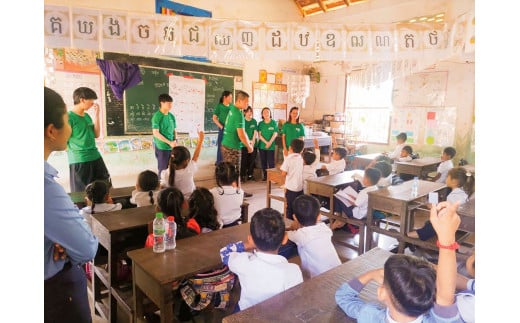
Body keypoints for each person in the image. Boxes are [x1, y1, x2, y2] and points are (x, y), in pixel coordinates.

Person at [335, 201, 465, 322]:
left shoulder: (369, 316)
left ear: (382, 293)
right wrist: (447, 237)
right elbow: (445, 297)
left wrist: (371, 274)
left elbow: (343, 296)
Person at [44, 86, 98, 322]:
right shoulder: (45, 189)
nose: (70, 127)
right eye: (66, 121)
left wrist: (59, 237)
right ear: (51, 131)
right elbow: (86, 248)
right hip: (53, 293)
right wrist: (66, 242)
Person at [219, 208, 303, 311]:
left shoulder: (243, 262)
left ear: (250, 239)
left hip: (246, 312)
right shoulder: (294, 270)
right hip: (276, 315)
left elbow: (224, 252)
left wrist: (247, 245)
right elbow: (295, 301)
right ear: (285, 239)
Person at [408, 167, 475, 241]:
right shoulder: (462, 192)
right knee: (428, 222)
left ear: (454, 181)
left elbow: (446, 212)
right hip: (460, 219)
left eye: (447, 177)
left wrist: (433, 207)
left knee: (432, 225)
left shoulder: (454, 196)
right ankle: (414, 241)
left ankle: (412, 236)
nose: (446, 179)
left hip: (452, 222)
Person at [67, 86, 111, 192]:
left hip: (95, 156)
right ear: (82, 100)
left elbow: (96, 134)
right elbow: (64, 142)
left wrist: (97, 115)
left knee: (105, 187)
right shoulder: (69, 118)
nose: (93, 103)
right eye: (91, 100)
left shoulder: (86, 116)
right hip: (80, 160)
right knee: (83, 193)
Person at [286, 194, 341, 279]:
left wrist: (291, 227)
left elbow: (285, 235)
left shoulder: (301, 235)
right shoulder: (323, 227)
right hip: (338, 270)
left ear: (295, 217)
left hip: (319, 278)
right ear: (319, 216)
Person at [221, 90, 254, 197]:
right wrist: (249, 146)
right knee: (234, 172)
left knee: (231, 171)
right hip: (232, 147)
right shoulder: (238, 114)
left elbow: (242, 131)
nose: (247, 105)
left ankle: (238, 191)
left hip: (226, 144)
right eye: (246, 102)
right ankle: (235, 194)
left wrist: (248, 140)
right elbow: (241, 134)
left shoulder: (232, 108)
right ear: (239, 101)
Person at [160, 131, 204, 199]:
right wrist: (200, 140)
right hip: (190, 200)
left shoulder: (165, 173)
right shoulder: (189, 170)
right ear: (186, 161)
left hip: (175, 202)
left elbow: (162, 187)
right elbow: (196, 156)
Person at [210, 161, 245, 228]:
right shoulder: (240, 192)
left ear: (217, 177)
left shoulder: (212, 193)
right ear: (235, 178)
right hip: (235, 224)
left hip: (218, 227)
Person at [152, 93, 177, 176]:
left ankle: (171, 186)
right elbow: (156, 133)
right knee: (163, 170)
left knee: (173, 168)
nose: (171, 105)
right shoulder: (157, 116)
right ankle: (162, 187)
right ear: (162, 103)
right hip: (162, 147)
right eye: (168, 103)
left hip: (172, 146)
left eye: (171, 103)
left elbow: (174, 130)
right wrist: (169, 142)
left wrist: (175, 140)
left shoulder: (171, 116)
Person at [280, 138, 305, 220]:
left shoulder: (288, 159)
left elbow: (283, 173)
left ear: (290, 148)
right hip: (300, 188)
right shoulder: (302, 159)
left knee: (289, 207)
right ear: (302, 150)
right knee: (299, 206)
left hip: (291, 188)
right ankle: (298, 223)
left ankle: (290, 224)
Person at [257, 107, 278, 181]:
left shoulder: (274, 122)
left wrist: (269, 143)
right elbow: (259, 135)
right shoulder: (260, 123)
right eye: (264, 112)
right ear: (262, 114)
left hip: (271, 147)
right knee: (263, 162)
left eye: (267, 112)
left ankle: (272, 177)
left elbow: (275, 134)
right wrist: (266, 142)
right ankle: (265, 176)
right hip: (262, 146)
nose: (266, 113)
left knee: (271, 162)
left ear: (270, 113)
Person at [212, 90, 233, 165]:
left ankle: (227, 165)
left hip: (230, 129)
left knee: (229, 147)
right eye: (230, 97)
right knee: (221, 147)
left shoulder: (231, 106)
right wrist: (221, 126)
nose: (231, 99)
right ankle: (219, 164)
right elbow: (214, 118)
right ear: (225, 97)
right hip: (223, 128)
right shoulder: (219, 106)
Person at [240, 106, 258, 182]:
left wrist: (252, 142)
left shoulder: (254, 121)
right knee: (243, 161)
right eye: (248, 111)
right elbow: (242, 133)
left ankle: (250, 175)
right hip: (244, 144)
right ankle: (242, 175)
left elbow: (255, 132)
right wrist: (248, 141)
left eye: (251, 111)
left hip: (253, 144)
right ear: (244, 112)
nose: (249, 113)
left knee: (252, 161)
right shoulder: (242, 121)